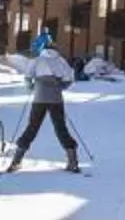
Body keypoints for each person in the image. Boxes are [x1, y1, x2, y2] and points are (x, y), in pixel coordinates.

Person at [11, 33, 81, 173]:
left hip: (39, 97)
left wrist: (31, 86)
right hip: (55, 98)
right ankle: (72, 160)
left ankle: (17, 160)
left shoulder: (38, 59)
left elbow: (28, 76)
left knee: (32, 127)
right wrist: (61, 86)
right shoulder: (60, 60)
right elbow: (70, 77)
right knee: (61, 128)